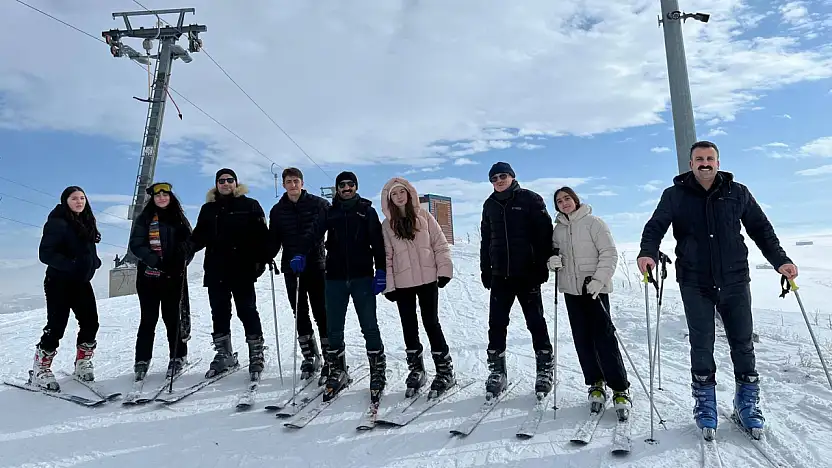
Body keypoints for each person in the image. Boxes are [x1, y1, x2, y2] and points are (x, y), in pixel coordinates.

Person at [637, 140, 798, 436]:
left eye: (710, 158)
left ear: (718, 162)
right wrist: (647, 251)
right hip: (694, 280)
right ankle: (705, 403)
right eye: (699, 158)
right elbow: (655, 226)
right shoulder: (674, 195)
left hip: (735, 279)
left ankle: (746, 404)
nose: (705, 163)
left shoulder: (738, 193)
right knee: (701, 344)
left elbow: (761, 229)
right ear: (690, 164)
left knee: (743, 342)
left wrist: (781, 261)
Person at [547, 187, 631, 417]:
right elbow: (553, 255)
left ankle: (620, 387)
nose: (564, 203)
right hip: (571, 291)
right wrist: (552, 261)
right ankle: (595, 383)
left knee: (604, 339)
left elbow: (609, 254)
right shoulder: (557, 231)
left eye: (567, 199)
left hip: (594, 289)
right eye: (559, 201)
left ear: (575, 200)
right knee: (582, 339)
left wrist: (599, 280)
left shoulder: (594, 223)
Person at [480, 162, 554, 399]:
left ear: (512, 177)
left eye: (503, 176)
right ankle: (497, 371)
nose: (498, 180)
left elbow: (545, 235)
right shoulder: (489, 205)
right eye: (494, 178)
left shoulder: (530, 200)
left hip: (527, 273)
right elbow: (485, 240)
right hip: (500, 275)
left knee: (535, 322)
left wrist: (541, 266)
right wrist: (485, 269)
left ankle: (544, 369)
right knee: (497, 323)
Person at [190, 168, 271, 380]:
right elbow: (198, 237)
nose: (226, 184)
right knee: (219, 311)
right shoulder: (208, 209)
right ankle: (224, 354)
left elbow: (262, 237)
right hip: (216, 268)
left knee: (247, 310)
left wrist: (261, 261)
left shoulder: (250, 205)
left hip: (242, 269)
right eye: (221, 181)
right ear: (216, 184)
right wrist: (182, 251)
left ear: (236, 183)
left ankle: (256, 353)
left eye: (229, 180)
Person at [314, 171, 387, 401]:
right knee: (334, 327)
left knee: (369, 326)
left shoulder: (367, 211)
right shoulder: (329, 212)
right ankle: (338, 370)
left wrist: (381, 271)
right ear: (337, 188)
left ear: (356, 187)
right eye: (342, 185)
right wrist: (299, 254)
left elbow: (378, 243)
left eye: (350, 185)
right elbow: (313, 235)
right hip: (334, 277)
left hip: (361, 277)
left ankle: (377, 371)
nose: (346, 188)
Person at [380, 177, 456, 398]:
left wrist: (444, 271)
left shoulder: (424, 217)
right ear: (389, 199)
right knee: (409, 325)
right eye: (394, 194)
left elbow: (439, 244)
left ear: (409, 193)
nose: (399, 197)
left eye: (401, 192)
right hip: (403, 284)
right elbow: (387, 257)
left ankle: (444, 371)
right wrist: (389, 286)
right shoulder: (387, 225)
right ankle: (416, 370)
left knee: (431, 323)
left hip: (428, 279)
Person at [32, 186, 102, 390]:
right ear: (66, 201)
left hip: (81, 282)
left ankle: (82, 363)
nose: (79, 202)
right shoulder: (57, 223)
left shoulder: (85, 221)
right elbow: (45, 253)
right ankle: (41, 369)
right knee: (56, 326)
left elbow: (89, 251)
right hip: (58, 282)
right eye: (74, 198)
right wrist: (71, 265)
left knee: (91, 322)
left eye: (82, 198)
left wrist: (94, 262)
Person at [268, 167, 331, 385]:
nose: (292, 185)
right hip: (291, 268)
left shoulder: (319, 204)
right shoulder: (277, 210)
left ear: (302, 183)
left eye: (296, 181)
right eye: (288, 182)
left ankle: (330, 356)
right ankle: (310, 356)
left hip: (315, 265)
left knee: (322, 311)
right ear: (283, 185)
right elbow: (274, 238)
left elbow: (328, 231)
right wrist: (267, 255)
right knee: (300, 312)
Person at [128, 182, 194, 382]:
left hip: (173, 277)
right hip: (148, 277)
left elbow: (190, 244)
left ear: (171, 197)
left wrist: (179, 261)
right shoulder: (145, 218)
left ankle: (178, 355)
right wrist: (154, 261)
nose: (162, 198)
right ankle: (142, 359)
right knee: (148, 319)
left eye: (165, 194)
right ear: (153, 198)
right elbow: (136, 245)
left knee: (172, 318)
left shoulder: (179, 219)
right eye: (158, 196)